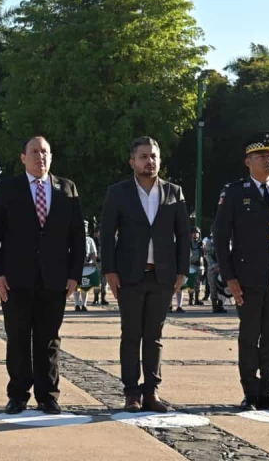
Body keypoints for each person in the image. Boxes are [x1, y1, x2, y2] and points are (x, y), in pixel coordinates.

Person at [0, 136, 84, 416]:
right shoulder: (8, 189)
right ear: (23, 157)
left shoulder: (67, 189)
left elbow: (77, 235)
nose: (40, 156)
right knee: (17, 338)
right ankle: (17, 394)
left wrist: (74, 274)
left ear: (51, 157)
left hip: (55, 279)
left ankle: (48, 395)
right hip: (15, 279)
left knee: (49, 339)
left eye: (45, 152)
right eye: (34, 152)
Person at [213, 131, 269, 413]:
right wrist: (229, 277)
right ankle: (250, 392)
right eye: (262, 156)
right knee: (250, 337)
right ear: (248, 161)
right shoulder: (235, 192)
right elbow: (220, 237)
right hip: (247, 278)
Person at [101, 136, 191, 413]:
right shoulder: (118, 192)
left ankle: (151, 391)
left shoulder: (174, 192)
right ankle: (131, 393)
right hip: (129, 275)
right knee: (131, 335)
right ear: (132, 162)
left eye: (153, 156)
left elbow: (183, 235)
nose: (149, 161)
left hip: (163, 275)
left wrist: (182, 271)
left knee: (154, 335)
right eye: (143, 157)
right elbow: (106, 234)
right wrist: (109, 270)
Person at [75, 220, 98, 311]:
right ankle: (77, 304)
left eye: (85, 228)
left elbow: (93, 253)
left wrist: (94, 263)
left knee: (85, 286)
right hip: (76, 265)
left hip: (86, 265)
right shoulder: (74, 238)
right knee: (76, 286)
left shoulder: (89, 240)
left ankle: (84, 304)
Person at [203, 231, 227, 313]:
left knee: (222, 287)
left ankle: (220, 305)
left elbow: (228, 255)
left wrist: (222, 266)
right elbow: (207, 255)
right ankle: (214, 305)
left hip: (222, 268)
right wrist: (215, 266)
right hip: (212, 268)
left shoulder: (225, 241)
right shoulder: (209, 242)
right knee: (213, 286)